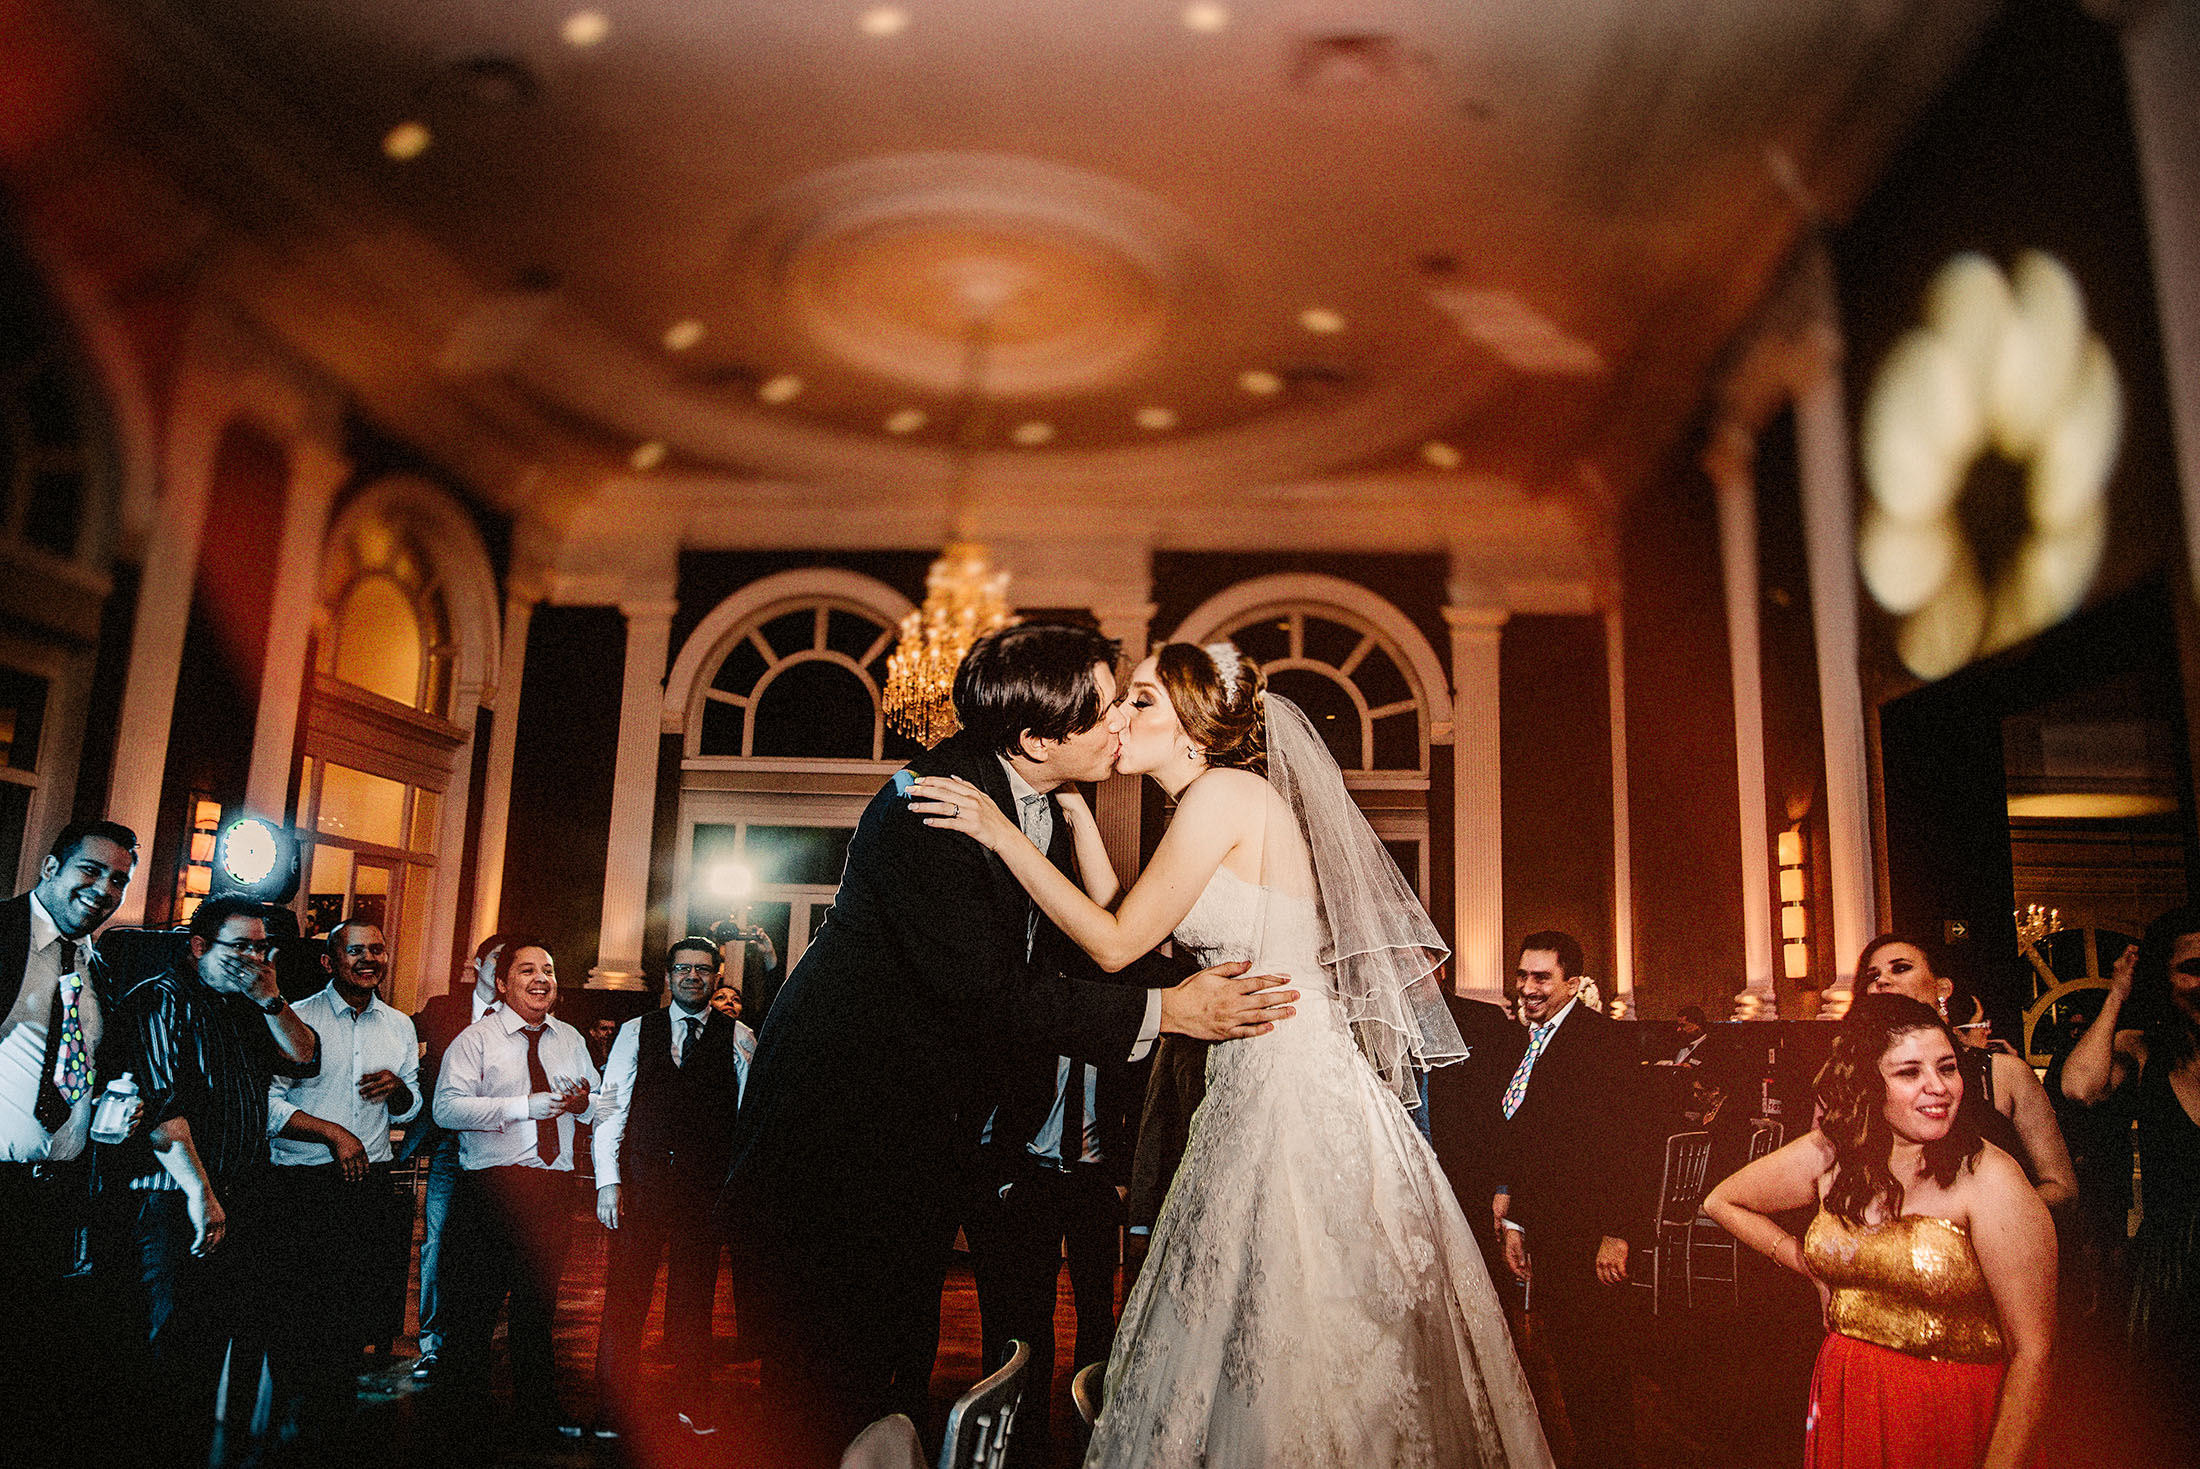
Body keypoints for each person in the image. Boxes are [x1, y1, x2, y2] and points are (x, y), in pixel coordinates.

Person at [912, 640, 1550, 1467]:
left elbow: (1114, 943)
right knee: (1251, 1303)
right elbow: (1131, 918)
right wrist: (1074, 813)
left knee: (1291, 1307)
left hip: (1286, 1082)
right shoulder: (1208, 802)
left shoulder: (1223, 794)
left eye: (1140, 700)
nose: (1118, 715)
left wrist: (1003, 834)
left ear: (1190, 727)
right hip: (1253, 1074)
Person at [720, 623, 1296, 1464]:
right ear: (1036, 739)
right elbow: (993, 994)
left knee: (889, 1397)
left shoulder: (1032, 803)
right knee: (828, 1412)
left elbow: (1088, 943)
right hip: (836, 1153)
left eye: (1130, 704)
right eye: (1107, 710)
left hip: (913, 1146)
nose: (1120, 724)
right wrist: (1168, 1012)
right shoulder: (933, 805)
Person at [1703, 993, 2055, 1469]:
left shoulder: (1992, 1178)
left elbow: (2034, 1355)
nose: (1938, 1087)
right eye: (1909, 1073)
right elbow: (1723, 1200)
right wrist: (1808, 1266)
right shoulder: (1833, 1152)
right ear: (1868, 1084)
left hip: (1950, 1412)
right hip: (1850, 1393)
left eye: (1947, 1068)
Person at [96, 893, 321, 1462]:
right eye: (239, 946)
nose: (253, 959)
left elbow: (305, 1058)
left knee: (207, 1346)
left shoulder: (247, 1003)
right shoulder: (162, 999)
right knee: (167, 1347)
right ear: (199, 946)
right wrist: (201, 1192)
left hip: (239, 1195)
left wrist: (271, 1000)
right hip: (174, 1200)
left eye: (261, 948)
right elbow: (163, 1106)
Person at [1487, 930, 1653, 1468]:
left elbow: (1632, 1144)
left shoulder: (1602, 1041)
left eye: (1542, 977)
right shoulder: (1528, 1041)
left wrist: (1618, 1233)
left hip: (1591, 1237)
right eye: (1522, 975)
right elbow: (1532, 1141)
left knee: (1600, 1368)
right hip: (1551, 1232)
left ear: (1573, 983)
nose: (1527, 987)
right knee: (1571, 1364)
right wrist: (1518, 1222)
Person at [0, 819, 138, 1462]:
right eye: (91, 869)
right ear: (51, 867)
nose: (105, 888)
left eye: (119, 880)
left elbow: (80, 1065)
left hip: (54, 1197)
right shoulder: (4, 935)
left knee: (28, 1364)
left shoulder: (96, 966)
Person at [431, 939, 598, 1442]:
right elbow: (446, 1109)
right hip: (491, 1189)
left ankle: (537, 1416)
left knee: (537, 1309)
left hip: (553, 1190)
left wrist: (583, 1104)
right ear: (502, 983)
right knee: (473, 1312)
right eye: (527, 970)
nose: (541, 978)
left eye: (548, 969)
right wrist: (524, 1106)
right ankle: (463, 1423)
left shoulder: (570, 1038)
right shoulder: (476, 1039)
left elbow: (601, 1105)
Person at [592, 936, 754, 1441]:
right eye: (683, 968)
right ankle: (611, 1406)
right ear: (668, 976)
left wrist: (736, 1190)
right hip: (641, 1185)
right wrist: (608, 1181)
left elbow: (748, 1121)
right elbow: (610, 1107)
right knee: (626, 1295)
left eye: (703, 970)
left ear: (718, 976)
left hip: (704, 1193)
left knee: (692, 1301)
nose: (692, 977)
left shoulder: (740, 1037)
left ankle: (691, 1401)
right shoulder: (636, 1030)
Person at [262, 920, 420, 1434]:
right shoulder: (296, 1018)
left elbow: (409, 1107)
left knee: (354, 1311)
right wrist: (332, 1133)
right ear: (329, 962)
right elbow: (267, 1104)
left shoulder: (399, 1025)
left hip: (368, 1184)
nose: (369, 959)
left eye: (377, 949)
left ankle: (335, 1426)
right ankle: (288, 1422)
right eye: (356, 951)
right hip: (302, 1183)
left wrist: (398, 1089)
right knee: (299, 1311)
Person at [2058, 910, 2200, 1446]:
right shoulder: (2143, 1049)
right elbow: (2079, 1086)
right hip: (2170, 1273)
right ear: (2162, 978)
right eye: (2192, 969)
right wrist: (2119, 992)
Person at [1857, 933, 2076, 1212]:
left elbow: (2062, 1188)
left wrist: (1977, 1215)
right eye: (1873, 976)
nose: (1882, 981)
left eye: (1900, 968)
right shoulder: (1850, 1077)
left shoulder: (2003, 1073)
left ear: (1942, 989)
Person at [403, 931, 509, 1382]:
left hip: (501, 1145)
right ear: (478, 964)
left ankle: (475, 1341)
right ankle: (434, 1344)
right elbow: (400, 1037)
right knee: (439, 1240)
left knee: (493, 1246)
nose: (504, 967)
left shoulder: (522, 1014)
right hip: (450, 1142)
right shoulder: (443, 1008)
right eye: (498, 958)